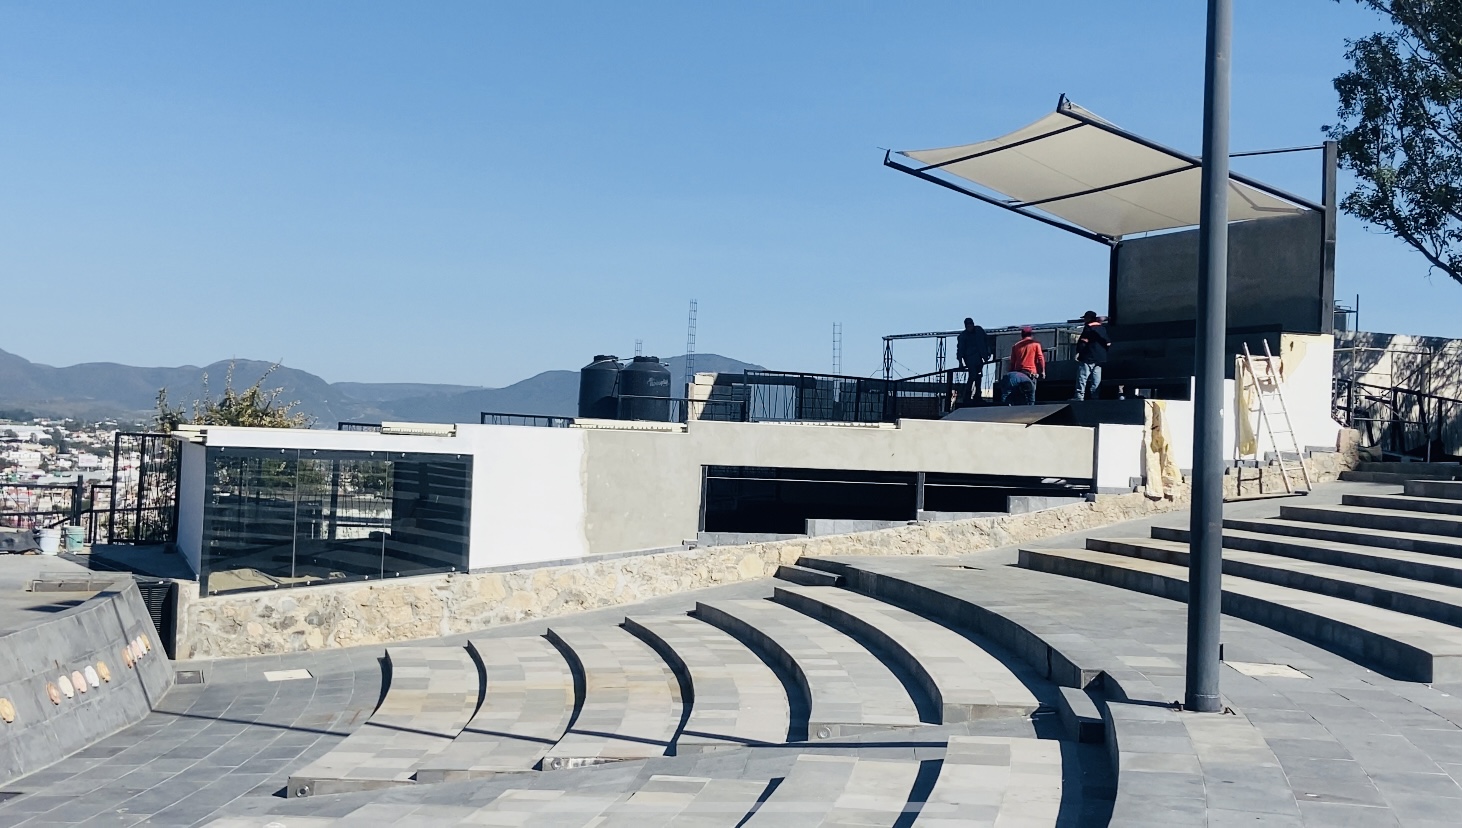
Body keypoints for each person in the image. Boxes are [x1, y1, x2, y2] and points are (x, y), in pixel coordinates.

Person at [1074, 311, 1111, 401]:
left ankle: (1079, 397)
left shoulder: (1088, 327)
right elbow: (1108, 343)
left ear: (1089, 318)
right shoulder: (1102, 328)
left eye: (1085, 318)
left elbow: (1083, 342)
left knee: (1082, 377)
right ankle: (1095, 397)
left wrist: (1079, 352)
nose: (1084, 320)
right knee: (1096, 379)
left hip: (1088, 356)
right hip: (1100, 358)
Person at [955, 318, 991, 403]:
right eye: (968, 325)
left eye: (971, 324)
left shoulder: (979, 331)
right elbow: (960, 349)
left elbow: (986, 341)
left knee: (979, 376)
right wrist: (960, 362)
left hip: (979, 357)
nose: (970, 326)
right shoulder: (963, 336)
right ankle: (967, 395)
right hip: (969, 358)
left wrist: (987, 353)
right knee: (973, 375)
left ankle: (977, 395)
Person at [1009, 326, 1045, 401]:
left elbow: (1012, 361)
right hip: (1031, 373)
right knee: (1030, 395)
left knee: (1019, 396)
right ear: (1031, 334)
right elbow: (1041, 358)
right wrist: (1042, 371)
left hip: (1018, 373)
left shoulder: (1016, 346)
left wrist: (1011, 372)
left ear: (1022, 334)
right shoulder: (1036, 345)